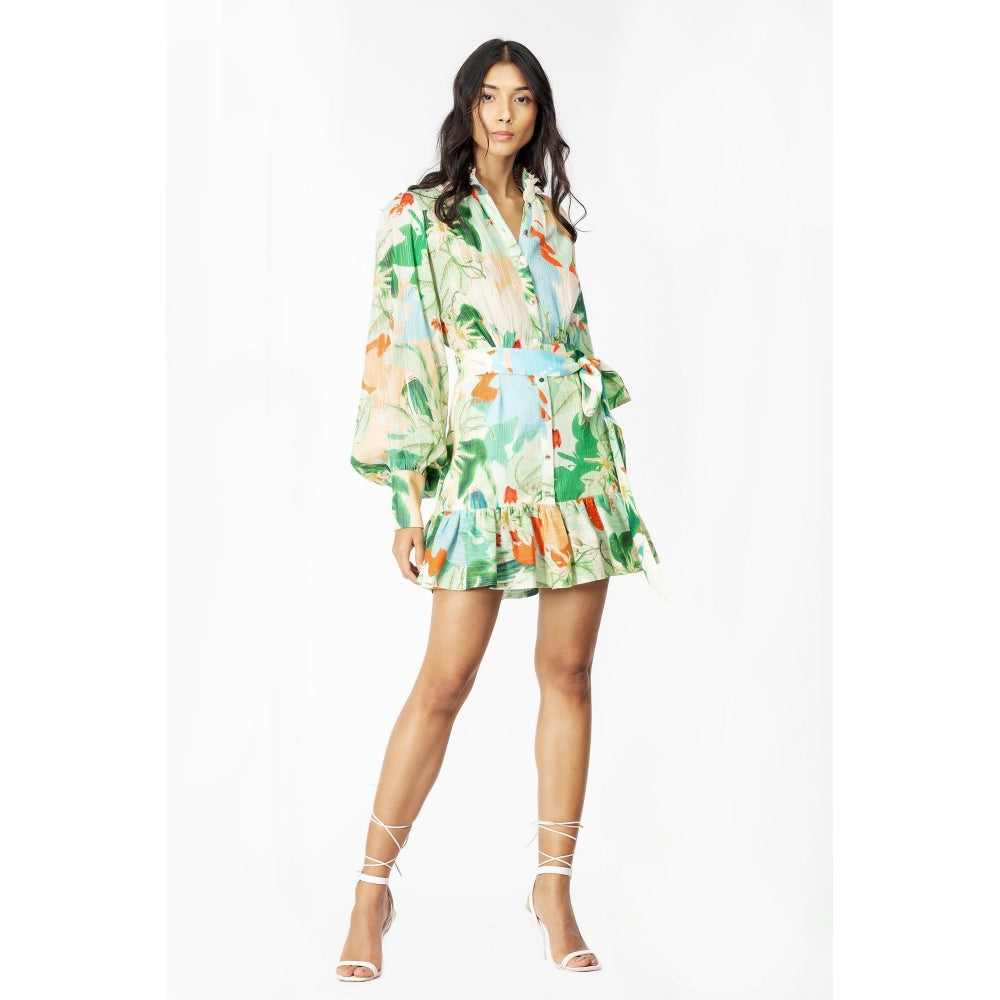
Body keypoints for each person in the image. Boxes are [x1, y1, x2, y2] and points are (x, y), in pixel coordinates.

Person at [338, 38, 669, 983]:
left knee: (569, 672)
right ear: (467, 104)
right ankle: (369, 893)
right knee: (445, 680)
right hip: (482, 470)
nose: (504, 115)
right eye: (489, 96)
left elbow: (575, 339)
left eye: (522, 99)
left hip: (575, 467)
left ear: (538, 113)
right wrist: (409, 496)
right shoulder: (420, 218)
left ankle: (552, 889)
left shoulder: (554, 222)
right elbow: (401, 349)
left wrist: (599, 448)